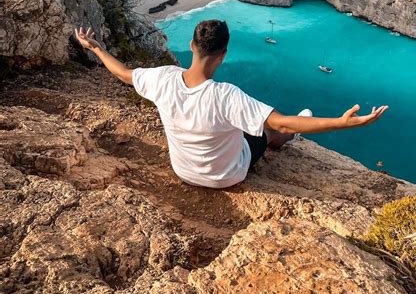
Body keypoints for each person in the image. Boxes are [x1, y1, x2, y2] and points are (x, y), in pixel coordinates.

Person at [75, 20, 388, 189]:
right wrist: (343, 122)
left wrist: (97, 49)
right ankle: (281, 144)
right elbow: (281, 122)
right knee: (270, 132)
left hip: (183, 171)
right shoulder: (225, 95)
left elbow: (125, 74)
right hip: (227, 177)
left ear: (191, 46)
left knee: (252, 123)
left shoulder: (162, 78)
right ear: (223, 54)